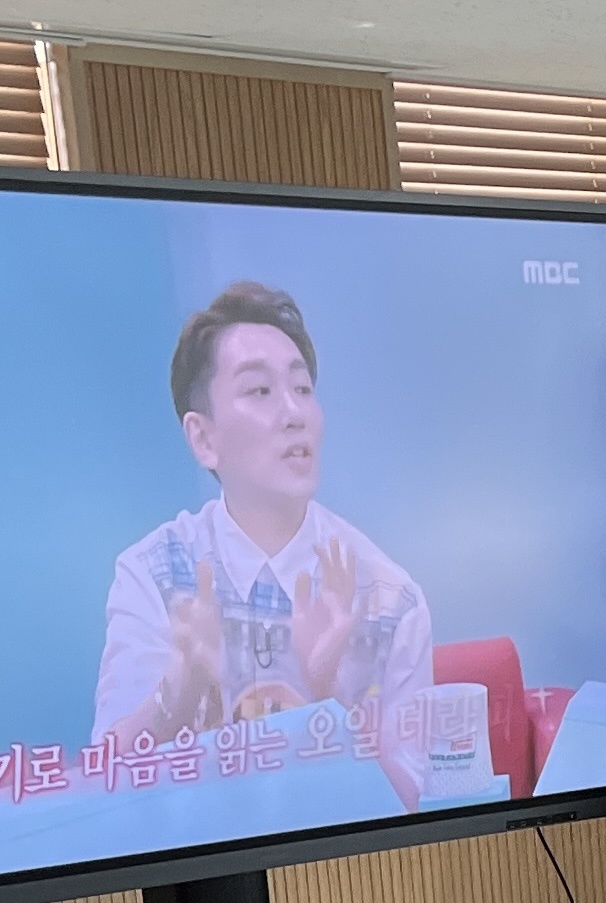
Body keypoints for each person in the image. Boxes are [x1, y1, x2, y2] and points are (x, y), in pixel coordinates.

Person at [95, 281, 435, 780]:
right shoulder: (154, 575)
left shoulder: (388, 599)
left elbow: (416, 804)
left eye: (303, 389)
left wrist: (327, 698)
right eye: (260, 390)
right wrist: (182, 688)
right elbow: (106, 777)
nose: (294, 414)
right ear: (203, 438)